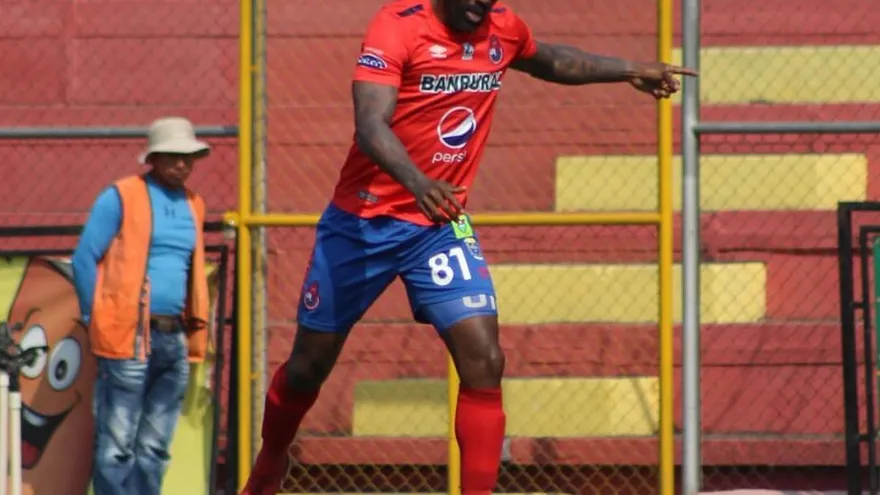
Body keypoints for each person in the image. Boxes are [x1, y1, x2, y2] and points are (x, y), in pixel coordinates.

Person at [240, 1, 698, 494]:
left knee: (485, 358)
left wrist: (630, 70)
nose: (482, 4)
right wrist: (416, 180)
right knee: (310, 366)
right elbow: (371, 125)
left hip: (438, 225)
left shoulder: (502, 25)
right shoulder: (398, 27)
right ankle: (270, 461)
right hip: (361, 226)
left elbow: (547, 59)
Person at [72, 116, 213, 495]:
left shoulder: (194, 204)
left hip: (173, 337)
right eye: (172, 156)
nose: (182, 164)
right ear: (153, 158)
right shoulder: (121, 195)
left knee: (154, 446)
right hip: (127, 335)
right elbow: (85, 258)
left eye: (188, 157)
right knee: (117, 444)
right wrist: (93, 317)